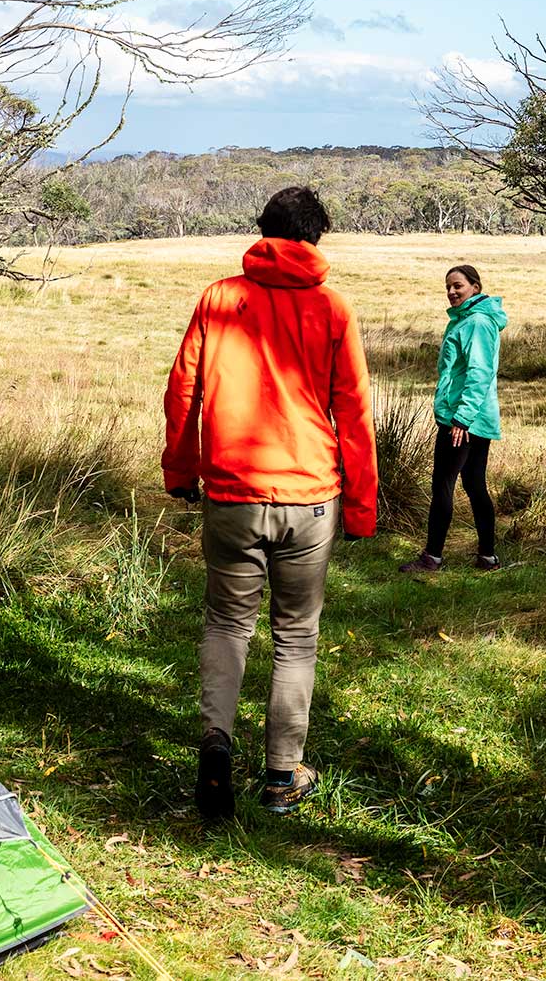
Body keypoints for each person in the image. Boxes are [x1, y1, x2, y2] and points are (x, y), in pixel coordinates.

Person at [162, 186, 378, 822]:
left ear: (263, 230)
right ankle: (282, 776)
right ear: (314, 239)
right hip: (311, 496)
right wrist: (362, 506)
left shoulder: (219, 298)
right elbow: (354, 413)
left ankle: (215, 750)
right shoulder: (333, 309)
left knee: (227, 624)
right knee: (296, 636)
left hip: (230, 491)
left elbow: (182, 392)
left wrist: (182, 469)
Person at [400, 264, 505, 574]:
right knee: (474, 485)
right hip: (473, 417)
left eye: (458, 285)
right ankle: (487, 556)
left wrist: (461, 419)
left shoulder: (475, 323)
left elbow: (479, 373)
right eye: (448, 287)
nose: (451, 292)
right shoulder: (467, 320)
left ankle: (432, 557)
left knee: (442, 485)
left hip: (463, 419)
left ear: (475, 286)